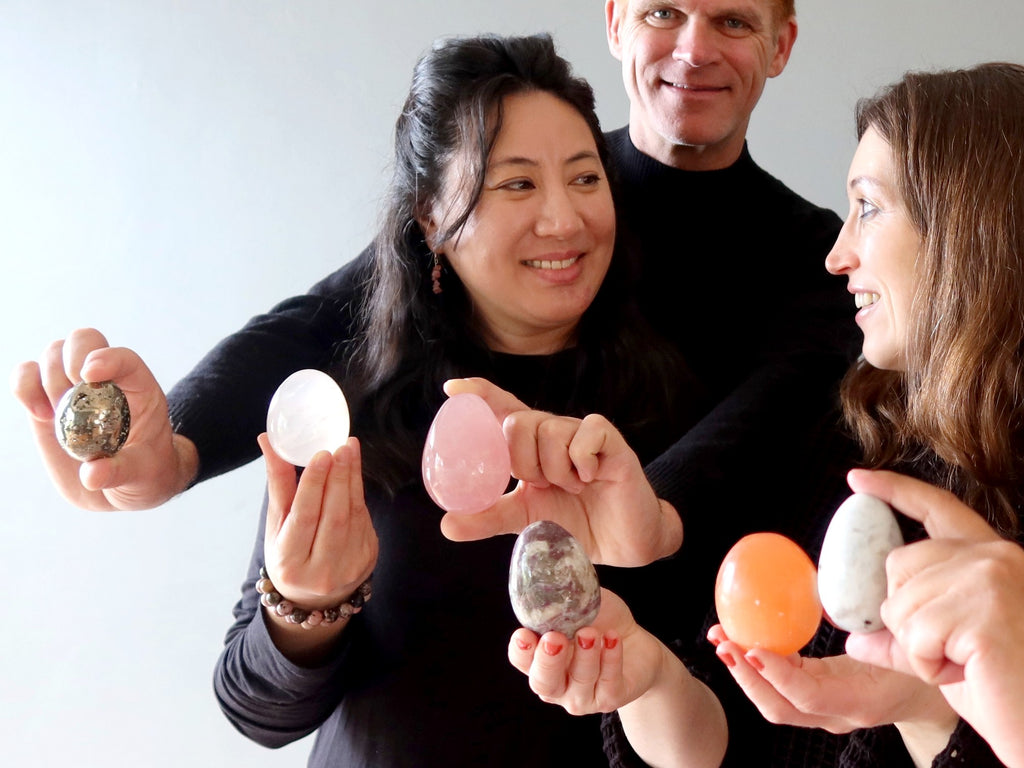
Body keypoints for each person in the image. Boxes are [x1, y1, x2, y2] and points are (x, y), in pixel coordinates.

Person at [208, 33, 727, 767]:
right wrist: (304, 606)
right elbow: (255, 713)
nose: (564, 220)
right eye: (517, 184)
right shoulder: (354, 415)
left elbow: (720, 723)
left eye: (584, 179)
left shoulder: (671, 413)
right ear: (429, 219)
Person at [702, 62, 1024, 767]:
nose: (836, 254)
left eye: (868, 207)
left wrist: (940, 707)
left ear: (968, 228)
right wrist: (916, 705)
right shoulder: (849, 449)